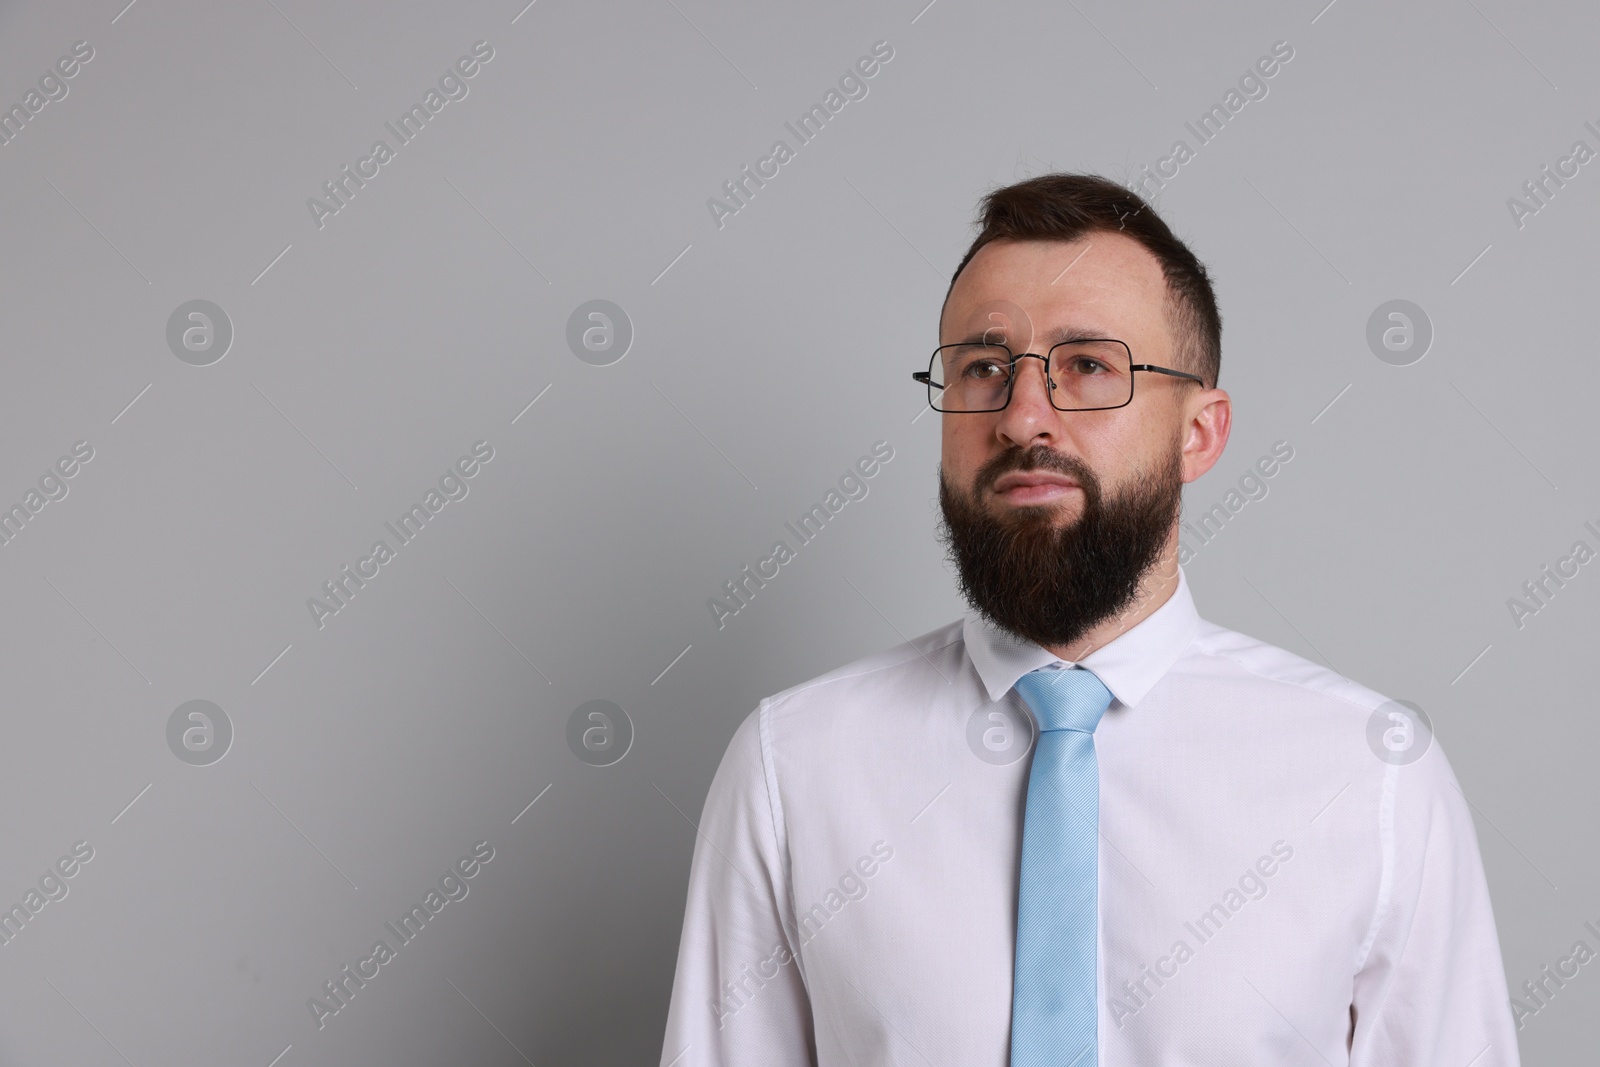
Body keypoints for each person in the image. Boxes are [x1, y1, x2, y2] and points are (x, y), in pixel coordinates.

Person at [658, 173, 1519, 1066]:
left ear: (1200, 433)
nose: (1025, 416)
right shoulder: (793, 768)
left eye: (1090, 366)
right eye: (984, 368)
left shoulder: (1370, 774)